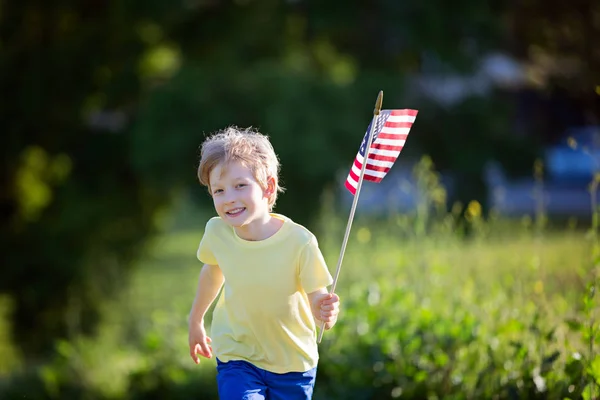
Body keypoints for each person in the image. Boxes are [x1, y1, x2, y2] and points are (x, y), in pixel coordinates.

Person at [188, 126, 341, 400]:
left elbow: (318, 300)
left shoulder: (300, 242)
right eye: (219, 190)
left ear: (268, 187)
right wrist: (196, 319)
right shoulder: (217, 232)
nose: (229, 198)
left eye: (240, 186)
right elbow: (212, 273)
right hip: (238, 354)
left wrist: (325, 312)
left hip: (292, 362)